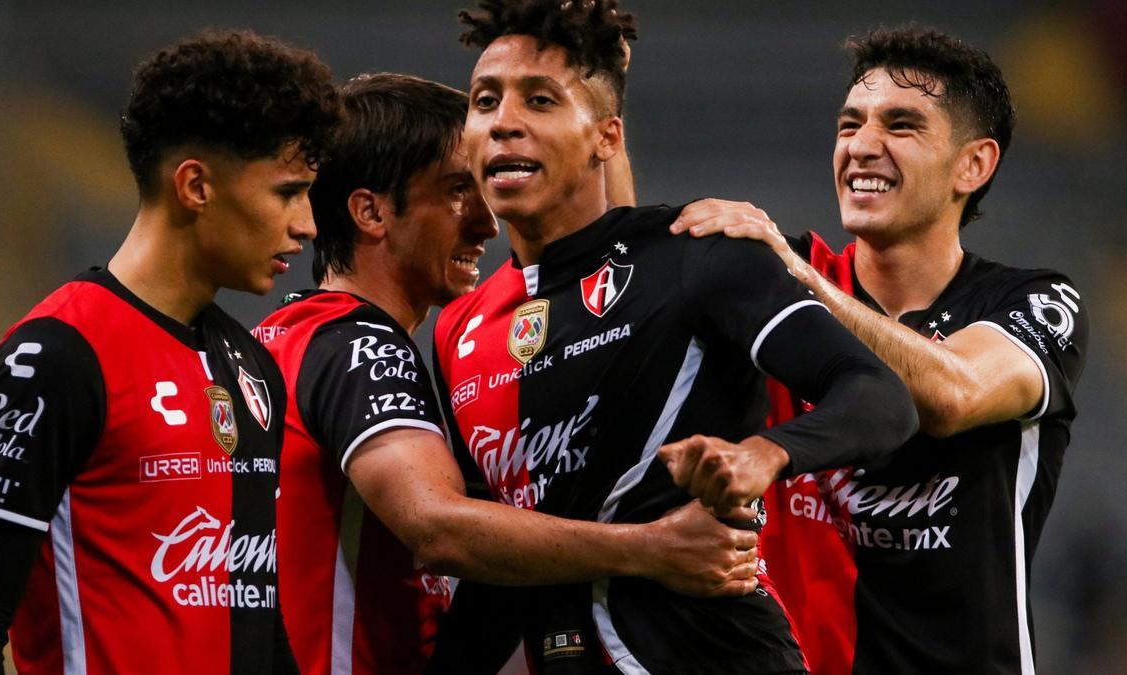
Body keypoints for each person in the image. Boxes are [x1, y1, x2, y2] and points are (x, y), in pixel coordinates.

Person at [432, 1, 919, 672]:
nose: (503, 122)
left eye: (539, 100)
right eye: (485, 101)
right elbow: (501, 557)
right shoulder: (461, 328)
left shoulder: (696, 253)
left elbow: (879, 396)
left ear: (605, 136)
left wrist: (762, 454)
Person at [252, 72, 760, 675]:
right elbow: (437, 528)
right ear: (371, 212)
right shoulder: (360, 346)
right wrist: (651, 549)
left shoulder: (279, 341)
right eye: (456, 192)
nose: (488, 224)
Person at [674, 25, 1089, 674]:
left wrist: (798, 281)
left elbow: (953, 395)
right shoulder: (783, 285)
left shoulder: (1036, 301)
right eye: (849, 124)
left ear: (972, 164)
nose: (862, 146)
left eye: (901, 125)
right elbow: (632, 282)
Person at [0, 30, 339, 674]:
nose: (308, 224)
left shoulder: (252, 367)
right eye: (288, 191)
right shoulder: (54, 356)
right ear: (196, 185)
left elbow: (262, 625)